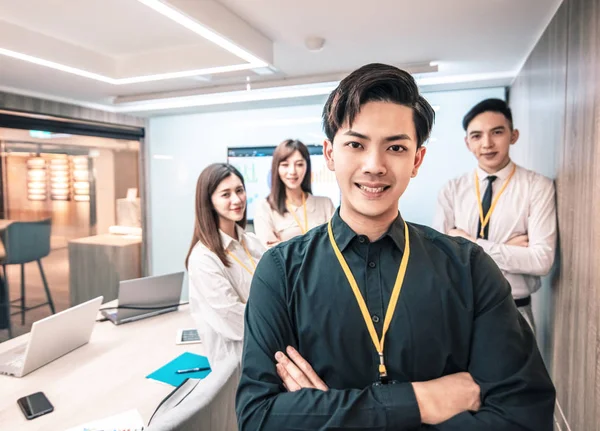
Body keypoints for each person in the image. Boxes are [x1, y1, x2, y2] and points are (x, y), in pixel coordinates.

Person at [236, 64, 555, 430]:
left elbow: (522, 416)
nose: (375, 166)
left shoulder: (469, 267)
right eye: (356, 144)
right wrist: (420, 402)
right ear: (329, 154)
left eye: (396, 147)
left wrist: (325, 414)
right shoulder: (280, 272)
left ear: (416, 159)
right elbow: (258, 419)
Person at [433, 98, 557, 332]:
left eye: (497, 132)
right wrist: (506, 248)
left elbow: (541, 260)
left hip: (515, 312)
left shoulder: (537, 187)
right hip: (461, 313)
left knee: (520, 370)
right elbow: (440, 260)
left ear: (513, 135)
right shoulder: (452, 190)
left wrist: (470, 244)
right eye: (477, 136)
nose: (487, 143)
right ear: (467, 142)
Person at [185, 163, 266, 366]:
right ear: (209, 202)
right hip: (239, 366)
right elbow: (235, 321)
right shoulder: (203, 259)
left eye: (239, 191)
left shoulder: (253, 242)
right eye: (225, 194)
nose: (237, 200)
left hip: (269, 353)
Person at [253, 139, 335, 247]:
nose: (292, 171)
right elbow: (272, 256)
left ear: (307, 166)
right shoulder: (265, 208)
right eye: (285, 165)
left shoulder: (325, 204)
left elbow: (336, 245)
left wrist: (284, 246)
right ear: (276, 168)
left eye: (299, 164)